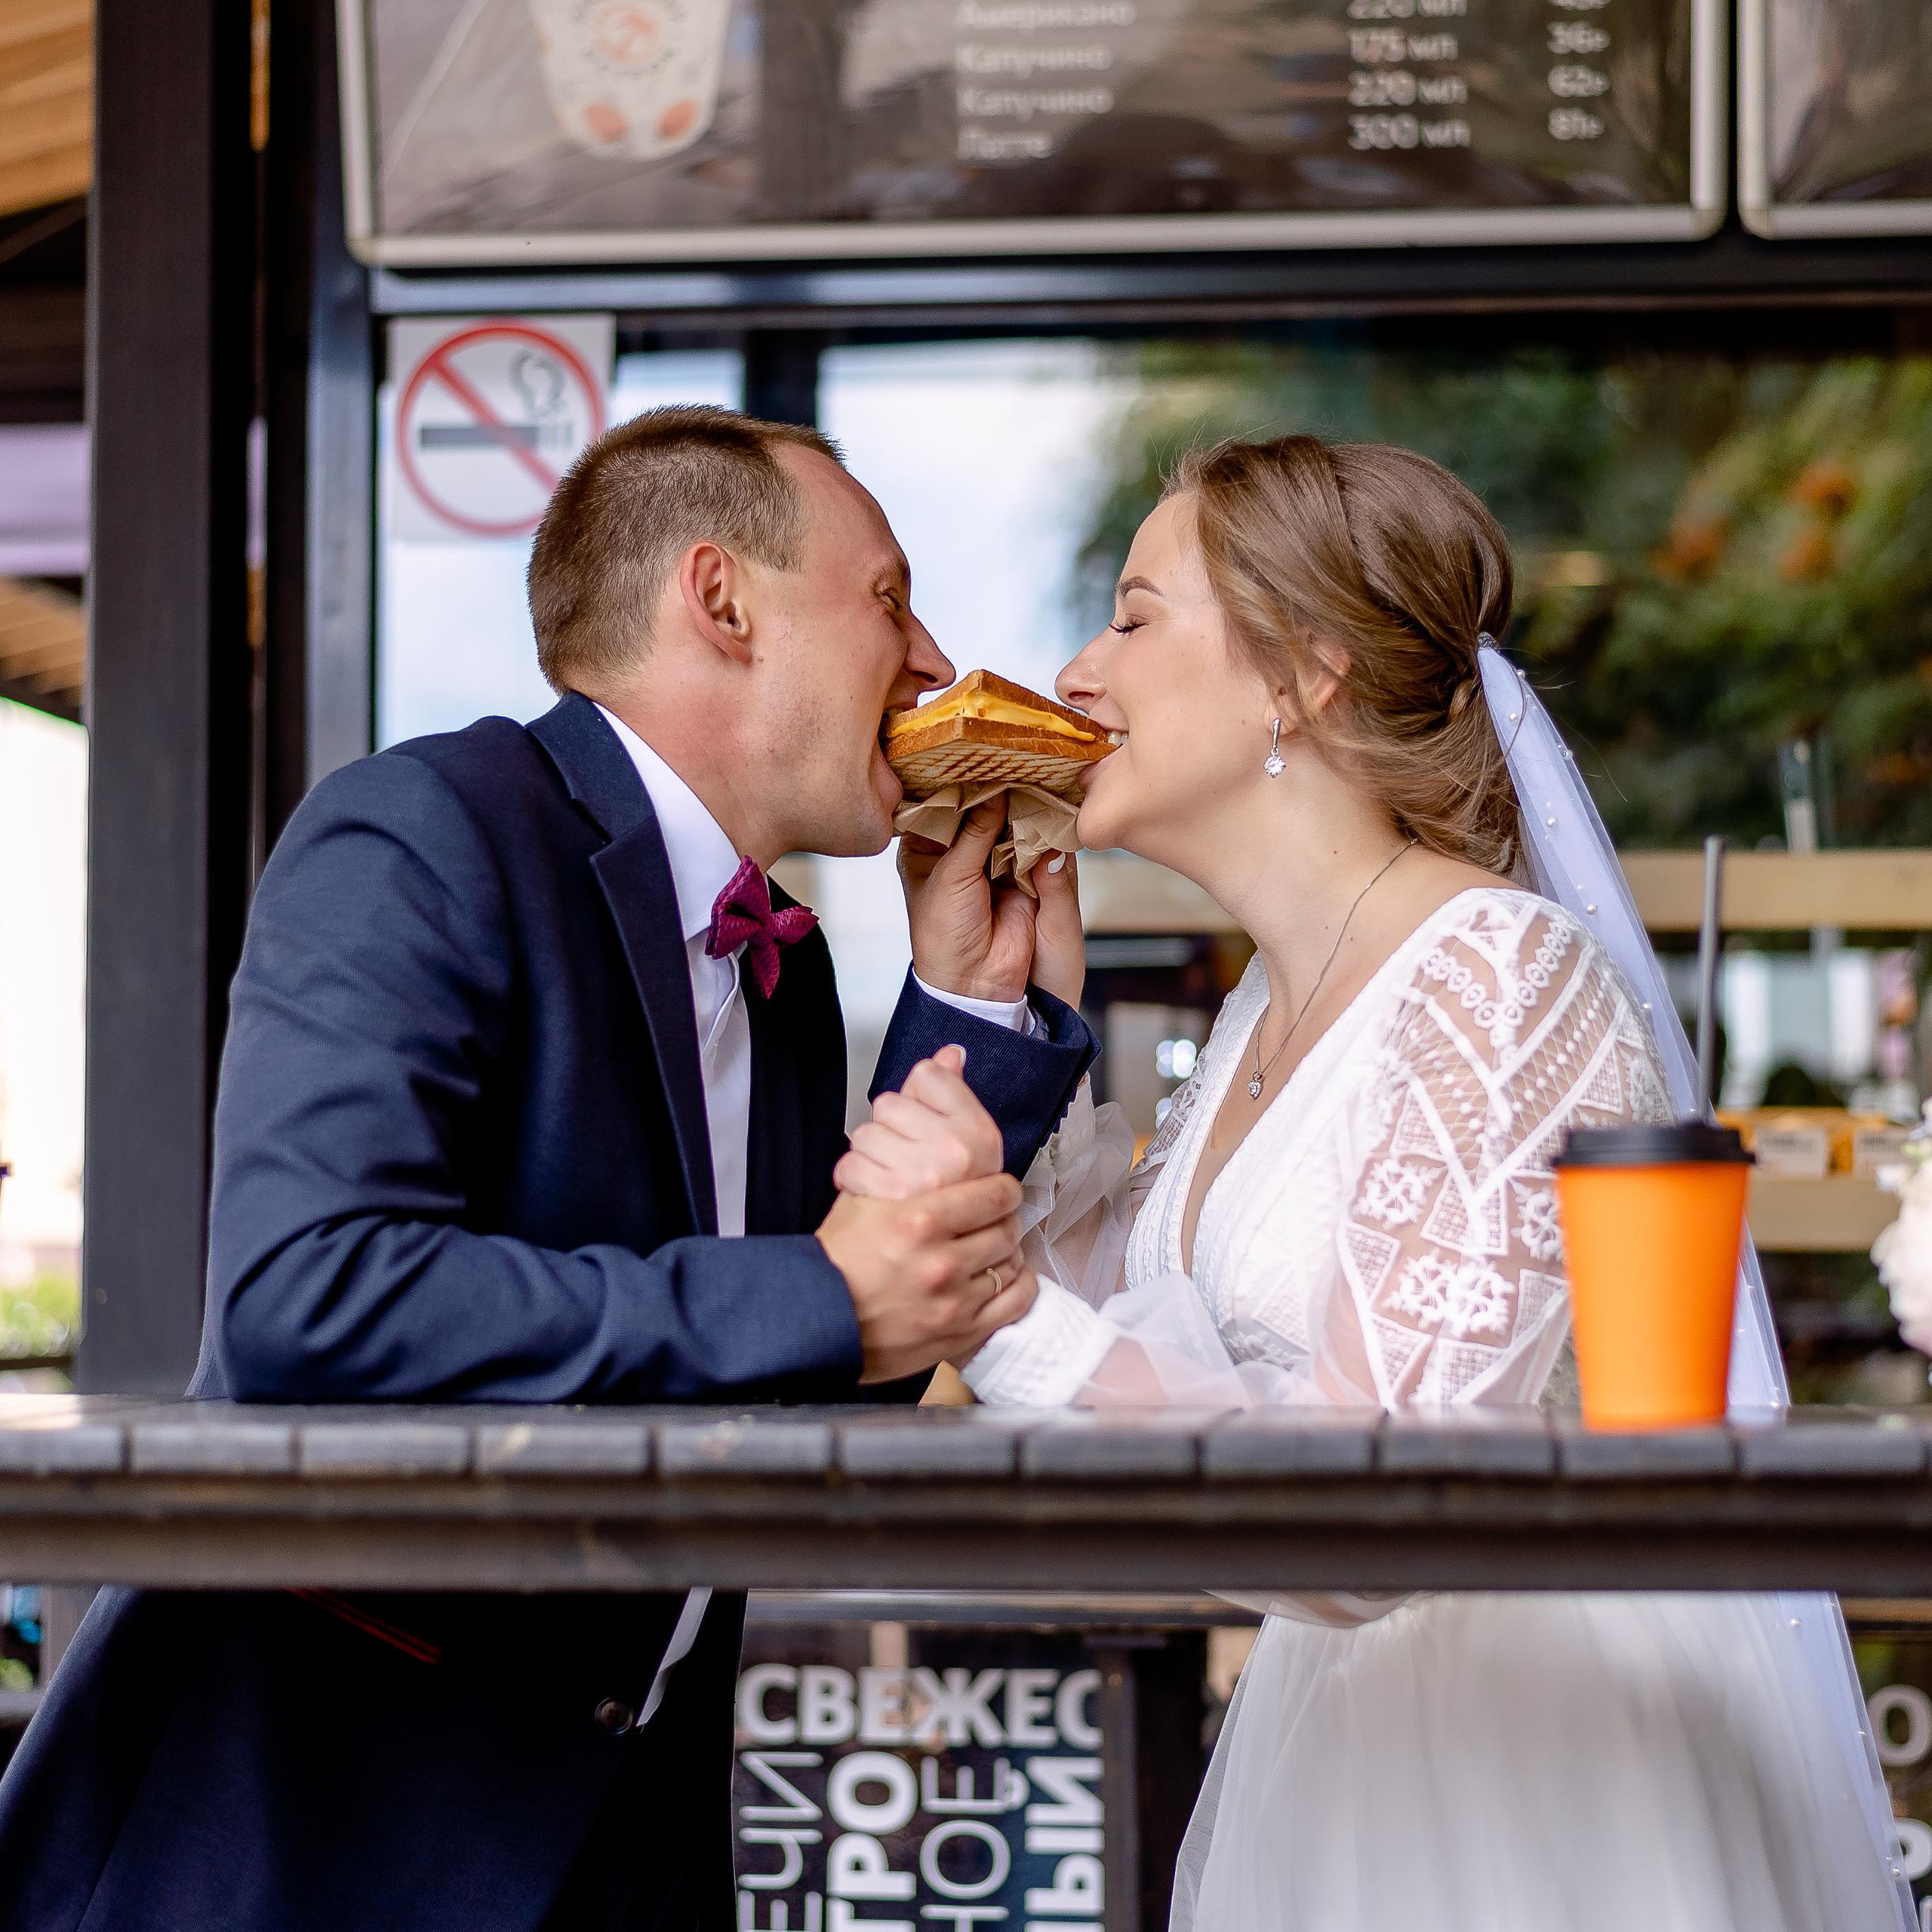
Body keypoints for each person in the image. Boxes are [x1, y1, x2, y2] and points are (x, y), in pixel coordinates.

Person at [0, 407, 1096, 1932]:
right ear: (719, 599)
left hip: (628, 1842)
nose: (928, 660)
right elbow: (306, 1301)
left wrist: (967, 1013)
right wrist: (817, 1289)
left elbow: (817, 1383)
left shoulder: (774, 970)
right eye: (889, 599)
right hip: (317, 1841)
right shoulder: (423, 827)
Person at [840, 435, 1905, 1931]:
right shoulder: (1260, 1017)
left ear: (1300, 675)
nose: (1078, 670)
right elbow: (1107, 1340)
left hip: (1534, 1789)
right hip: (1336, 1748)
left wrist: (1006, 1311)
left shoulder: (1503, 985)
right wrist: (994, 1008)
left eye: (1136, 616)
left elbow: (1379, 1514)